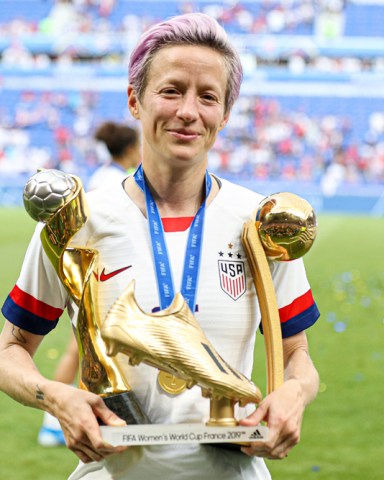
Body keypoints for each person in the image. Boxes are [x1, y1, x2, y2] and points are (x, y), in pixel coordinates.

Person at [0, 12, 320, 480]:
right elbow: (11, 348)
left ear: (225, 114)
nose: (189, 111)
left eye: (208, 96)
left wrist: (295, 395)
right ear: (135, 100)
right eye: (171, 90)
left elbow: (298, 355)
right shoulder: (76, 220)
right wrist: (57, 396)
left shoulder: (261, 223)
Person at [37, 121, 140, 446]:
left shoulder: (103, 175)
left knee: (85, 352)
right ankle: (53, 422)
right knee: (81, 351)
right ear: (130, 149)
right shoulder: (116, 181)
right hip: (99, 278)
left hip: (96, 275)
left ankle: (58, 420)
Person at [87, 121, 140, 191]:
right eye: (138, 147)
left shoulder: (99, 175)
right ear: (130, 149)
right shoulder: (121, 183)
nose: (140, 153)